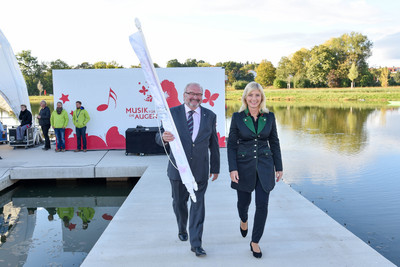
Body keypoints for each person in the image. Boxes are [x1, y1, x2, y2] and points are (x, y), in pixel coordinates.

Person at [155, 82, 220, 257]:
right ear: (184, 95)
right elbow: (158, 135)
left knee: (198, 205)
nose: (195, 97)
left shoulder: (210, 115)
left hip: (200, 171)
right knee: (179, 203)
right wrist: (163, 137)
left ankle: (196, 243)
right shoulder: (172, 113)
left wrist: (215, 167)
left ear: (202, 96)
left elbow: (214, 143)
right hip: (177, 170)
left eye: (199, 95)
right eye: (191, 94)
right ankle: (182, 227)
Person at [227, 82, 283, 259]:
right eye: (250, 95)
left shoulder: (270, 117)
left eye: (257, 95)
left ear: (262, 98)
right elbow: (231, 145)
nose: (254, 99)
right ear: (245, 97)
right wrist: (232, 168)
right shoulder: (237, 117)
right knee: (243, 203)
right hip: (243, 167)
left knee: (262, 205)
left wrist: (279, 167)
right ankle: (243, 220)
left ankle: (255, 241)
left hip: (265, 166)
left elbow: (274, 142)